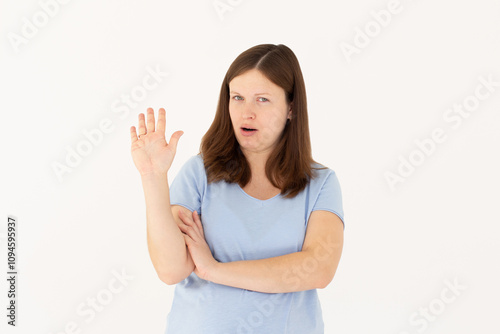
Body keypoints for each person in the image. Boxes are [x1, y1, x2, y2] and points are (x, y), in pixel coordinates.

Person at [130, 44, 345, 334]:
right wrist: (153, 177)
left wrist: (214, 270)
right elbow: (171, 270)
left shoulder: (321, 183)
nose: (247, 112)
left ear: (291, 107)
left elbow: (317, 269)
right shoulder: (199, 173)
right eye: (238, 97)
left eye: (263, 100)